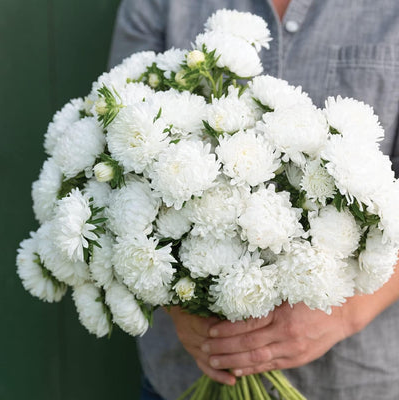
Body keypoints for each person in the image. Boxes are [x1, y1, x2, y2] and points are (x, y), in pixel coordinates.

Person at [108, 1, 399, 399]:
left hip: (353, 378)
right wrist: (178, 302)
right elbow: (121, 145)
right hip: (182, 373)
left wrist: (345, 312)